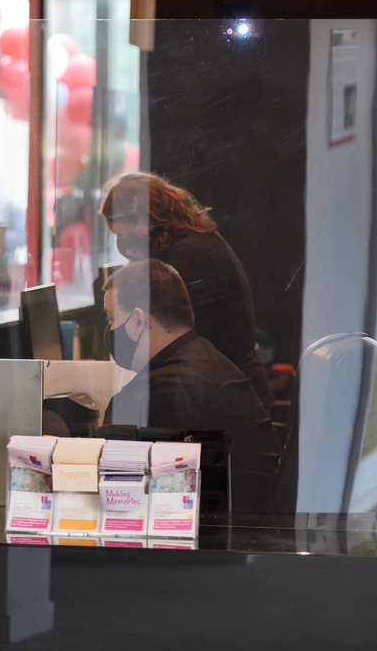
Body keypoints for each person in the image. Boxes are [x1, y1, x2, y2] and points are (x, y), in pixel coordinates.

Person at [101, 259, 281, 513]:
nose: (109, 329)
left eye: (112, 318)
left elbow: (115, 497)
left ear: (138, 322)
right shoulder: (209, 359)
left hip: (217, 540)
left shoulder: (155, 394)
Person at [100, 171, 272, 409]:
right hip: (230, 388)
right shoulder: (199, 244)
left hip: (222, 398)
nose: (123, 244)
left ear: (139, 220)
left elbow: (181, 340)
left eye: (120, 234)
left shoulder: (187, 259)